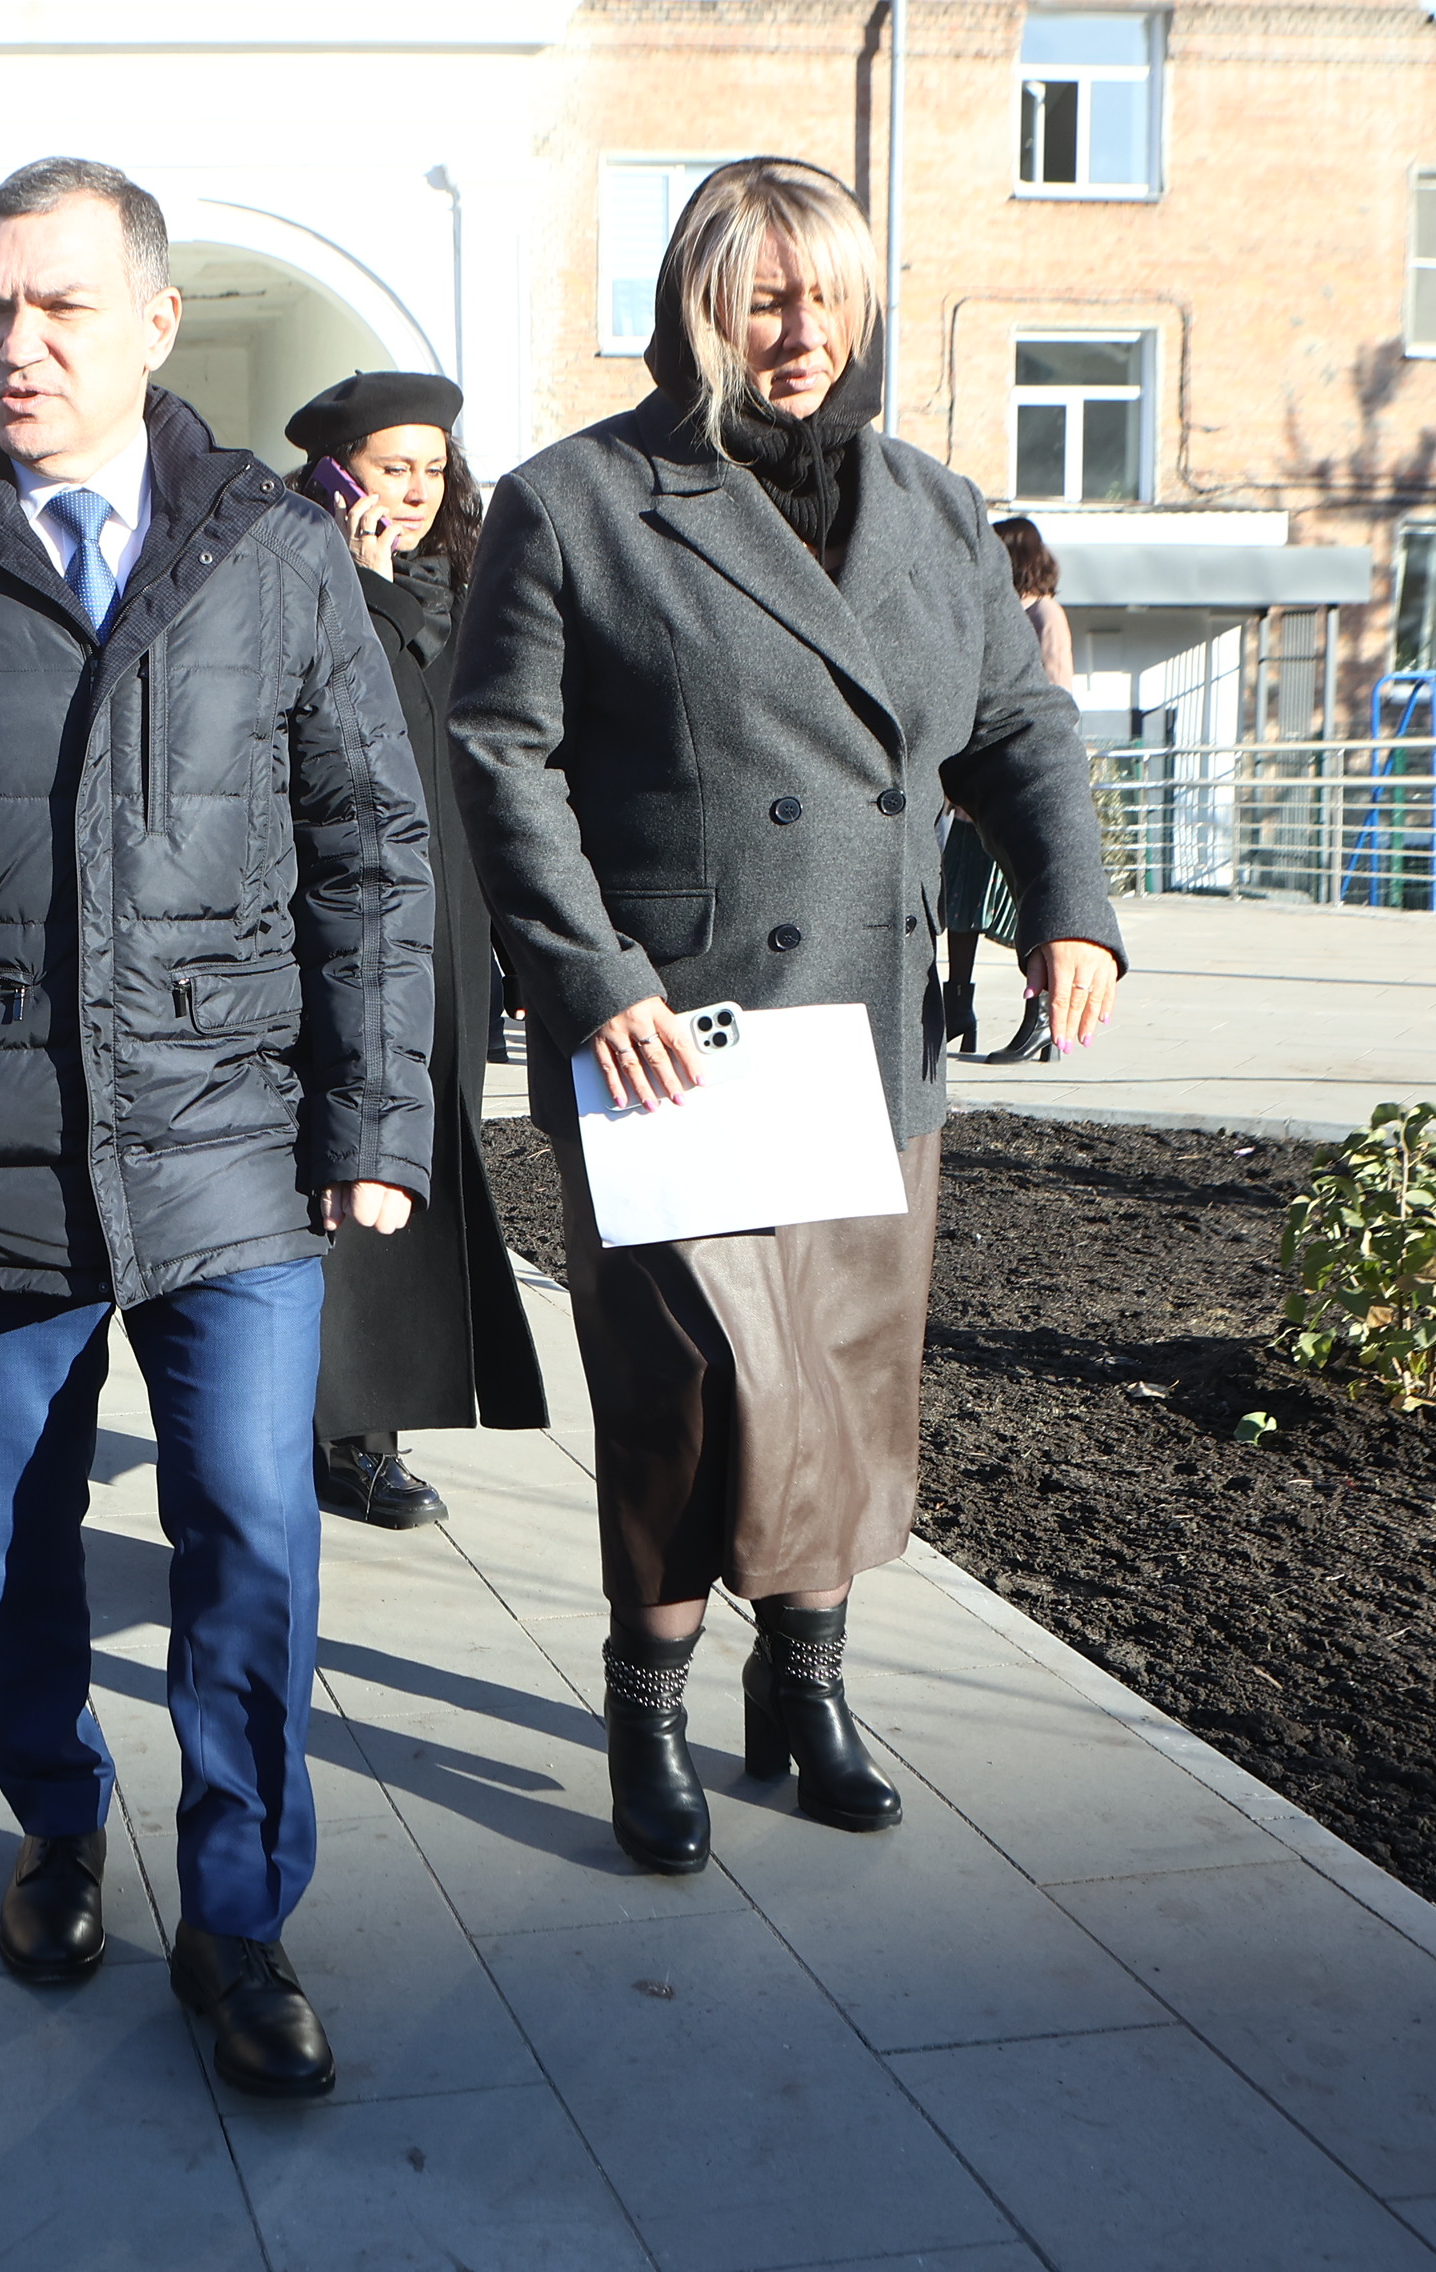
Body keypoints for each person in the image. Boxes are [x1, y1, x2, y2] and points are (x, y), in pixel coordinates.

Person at [0, 158, 434, 2101]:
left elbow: (371, 845)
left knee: (251, 1535)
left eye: (57, 306)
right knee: (9, 1547)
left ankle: (241, 1914)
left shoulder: (272, 550)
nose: (16, 344)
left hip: (231, 1140)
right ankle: (52, 1815)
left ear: (152, 322)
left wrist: (376, 1111)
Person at [449, 156, 1122, 1878]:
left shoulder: (932, 509)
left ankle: (805, 1684)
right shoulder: (578, 503)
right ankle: (646, 1704)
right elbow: (500, 757)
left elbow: (1016, 730)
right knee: (685, 1387)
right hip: (675, 1042)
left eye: (828, 298)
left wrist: (1067, 906)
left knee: (838, 1373)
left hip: (867, 1039)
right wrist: (592, 977)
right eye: (763, 300)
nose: (801, 334)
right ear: (697, 307)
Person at [280, 371, 546, 1532]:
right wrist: (365, 583)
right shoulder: (301, 580)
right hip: (349, 922)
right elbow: (354, 731)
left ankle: (364, 1418)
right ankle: (349, 1438)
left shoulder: (471, 585)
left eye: (435, 467)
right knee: (358, 1161)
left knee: (428, 1160)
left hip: (455, 923)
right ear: (335, 476)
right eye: (394, 467)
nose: (421, 489)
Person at [944, 516, 1078, 1063]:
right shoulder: (999, 612)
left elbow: (1053, 700)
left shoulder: (1044, 614)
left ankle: (1040, 1018)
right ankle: (958, 1007)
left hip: (1018, 791)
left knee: (1029, 907)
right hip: (974, 795)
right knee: (959, 901)